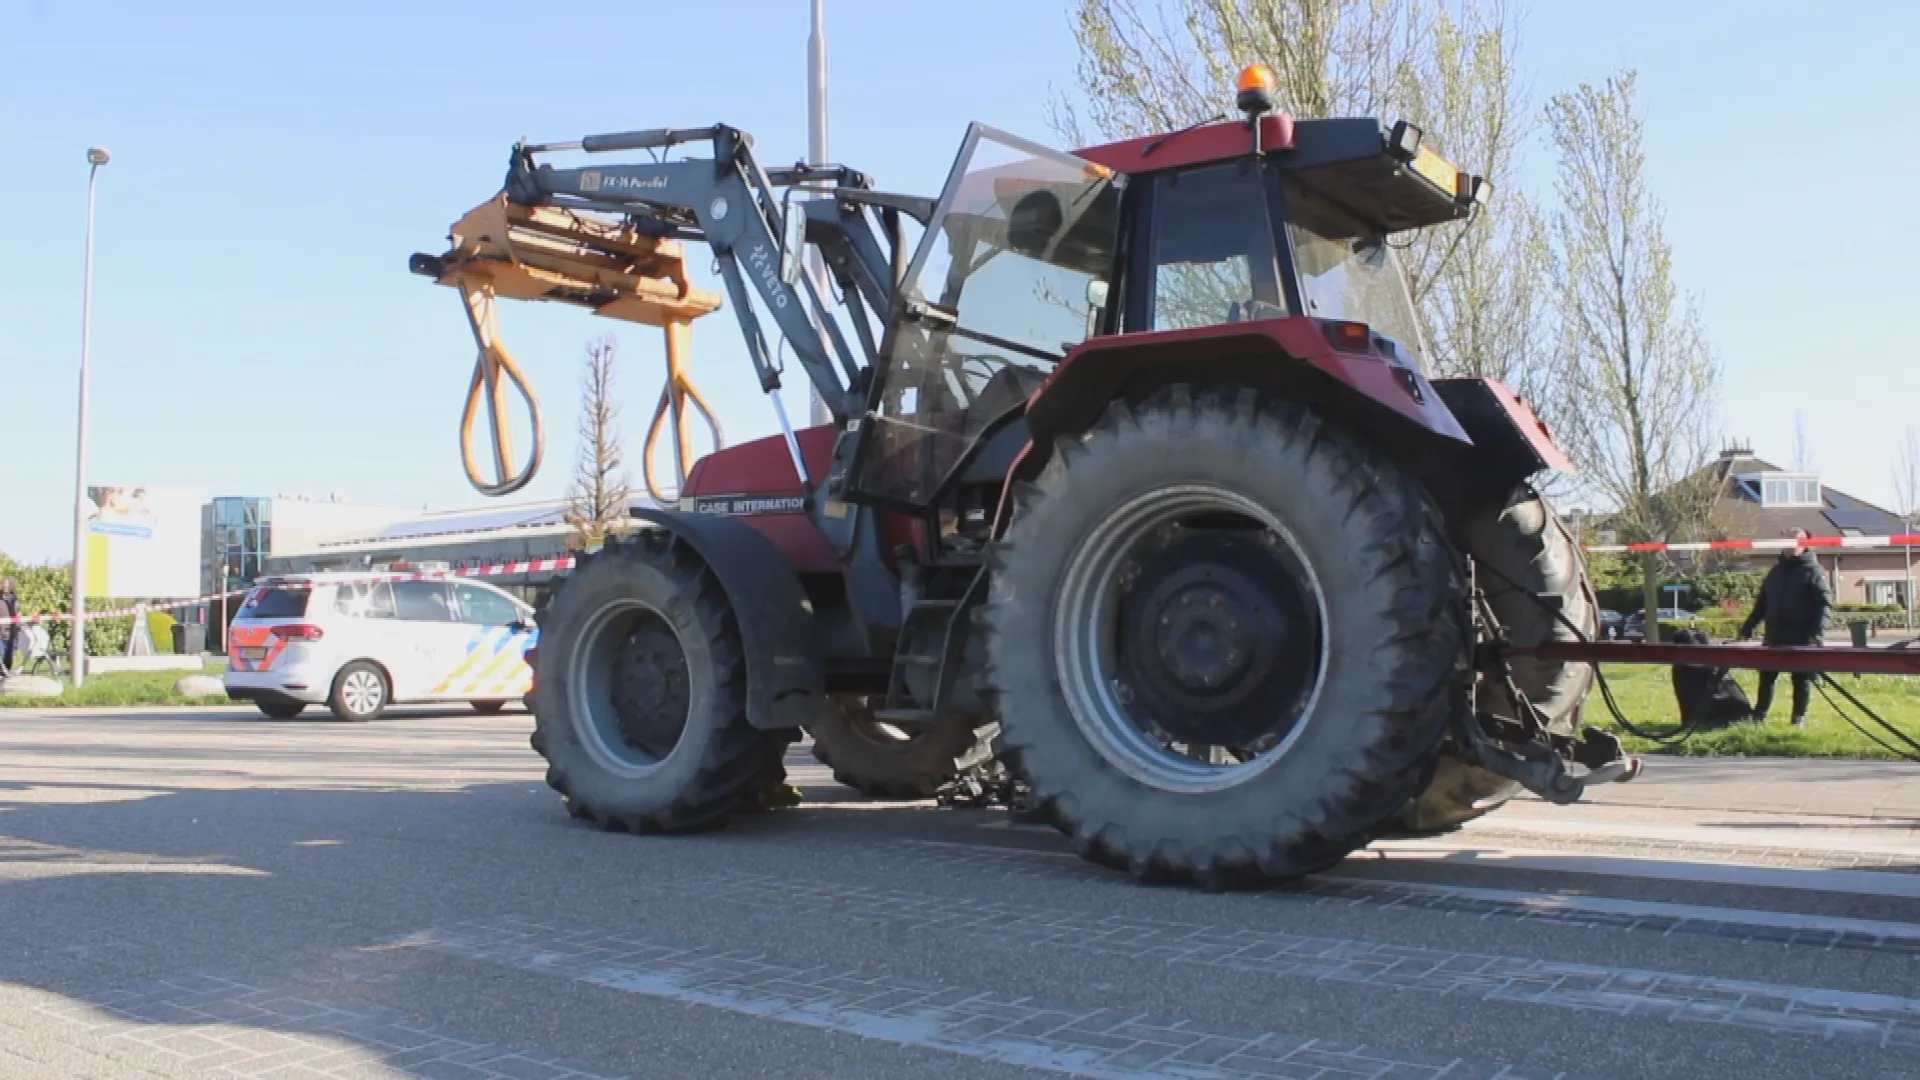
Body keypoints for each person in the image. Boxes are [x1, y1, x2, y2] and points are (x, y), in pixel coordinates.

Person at [1739, 531, 1832, 726]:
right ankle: (1759, 715)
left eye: (1795, 541)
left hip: (1802, 636)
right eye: (1786, 541)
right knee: (1766, 676)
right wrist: (1748, 627)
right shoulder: (1775, 572)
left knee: (1801, 679)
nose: (1790, 545)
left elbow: (1824, 605)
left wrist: (1817, 633)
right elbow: (1762, 604)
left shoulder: (1813, 571)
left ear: (1805, 545)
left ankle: (1798, 718)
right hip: (1775, 635)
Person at [0, 578, 17, 676]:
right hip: (1, 633)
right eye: (4, 584)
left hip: (12, 633)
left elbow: (16, 614)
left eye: (7, 584)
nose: (5, 586)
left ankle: (5, 681)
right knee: (1, 655)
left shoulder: (14, 599)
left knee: (8, 659)